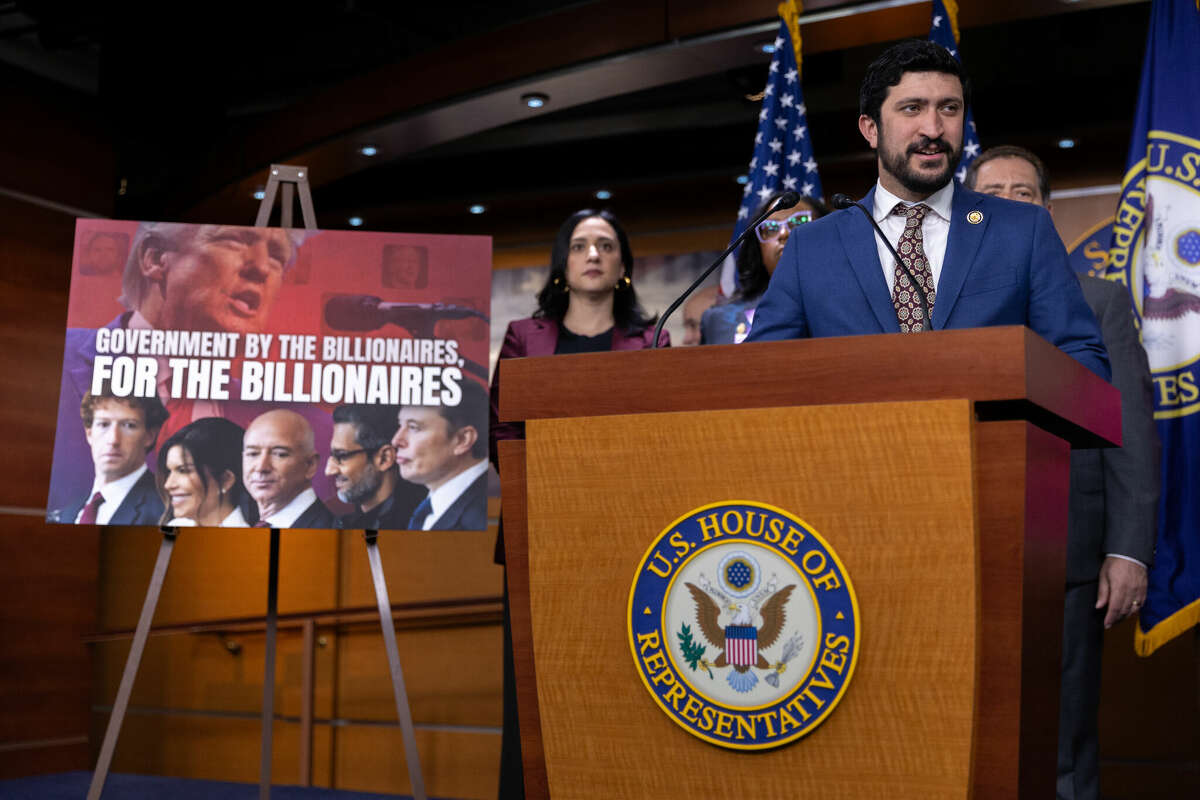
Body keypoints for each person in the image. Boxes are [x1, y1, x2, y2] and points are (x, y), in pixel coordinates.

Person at [965, 145, 1160, 800]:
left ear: (1046, 212)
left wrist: (1127, 550)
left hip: (1069, 560)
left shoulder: (1099, 300)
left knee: (1063, 743)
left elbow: (1128, 430)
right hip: (961, 552)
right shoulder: (935, 310)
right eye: (992, 193)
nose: (1008, 203)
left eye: (1024, 193)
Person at [745, 38, 1109, 381]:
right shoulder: (811, 247)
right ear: (870, 129)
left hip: (992, 442)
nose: (933, 129)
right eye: (912, 108)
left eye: (949, 109)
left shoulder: (1023, 230)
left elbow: (1082, 360)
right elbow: (757, 370)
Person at [489, 208, 667, 799]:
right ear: (563, 264)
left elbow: (662, 435)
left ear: (623, 266)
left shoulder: (651, 341)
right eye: (581, 245)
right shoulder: (524, 337)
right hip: (537, 528)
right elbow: (502, 432)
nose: (594, 254)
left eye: (607, 245)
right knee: (536, 677)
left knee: (620, 672)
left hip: (627, 531)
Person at [50, 222, 310, 513]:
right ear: (155, 258)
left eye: (277, 257)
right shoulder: (57, 359)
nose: (262, 267)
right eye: (235, 241)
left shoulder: (285, 422)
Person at [702, 193, 827, 344]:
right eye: (771, 228)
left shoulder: (850, 302)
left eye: (799, 222)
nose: (784, 233)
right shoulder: (719, 320)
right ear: (759, 248)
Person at [48, 391, 168, 526]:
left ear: (149, 436)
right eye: (104, 424)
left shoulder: (167, 509)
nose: (113, 440)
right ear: (89, 434)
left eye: (129, 425)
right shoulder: (66, 515)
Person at [391, 380, 489, 531]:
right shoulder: (431, 505)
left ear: (463, 440)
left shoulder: (480, 516)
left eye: (413, 427)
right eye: (399, 425)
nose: (396, 441)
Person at [327, 404, 427, 530]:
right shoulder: (343, 523)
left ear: (384, 458)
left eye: (342, 456)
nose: (329, 470)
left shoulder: (420, 525)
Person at [242, 409, 335, 529]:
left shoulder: (331, 529)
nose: (261, 467)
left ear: (310, 465)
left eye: (280, 454)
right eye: (253, 454)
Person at [156, 417, 249, 527]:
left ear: (225, 480)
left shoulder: (249, 539)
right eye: (169, 471)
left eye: (183, 470)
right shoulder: (173, 528)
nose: (168, 485)